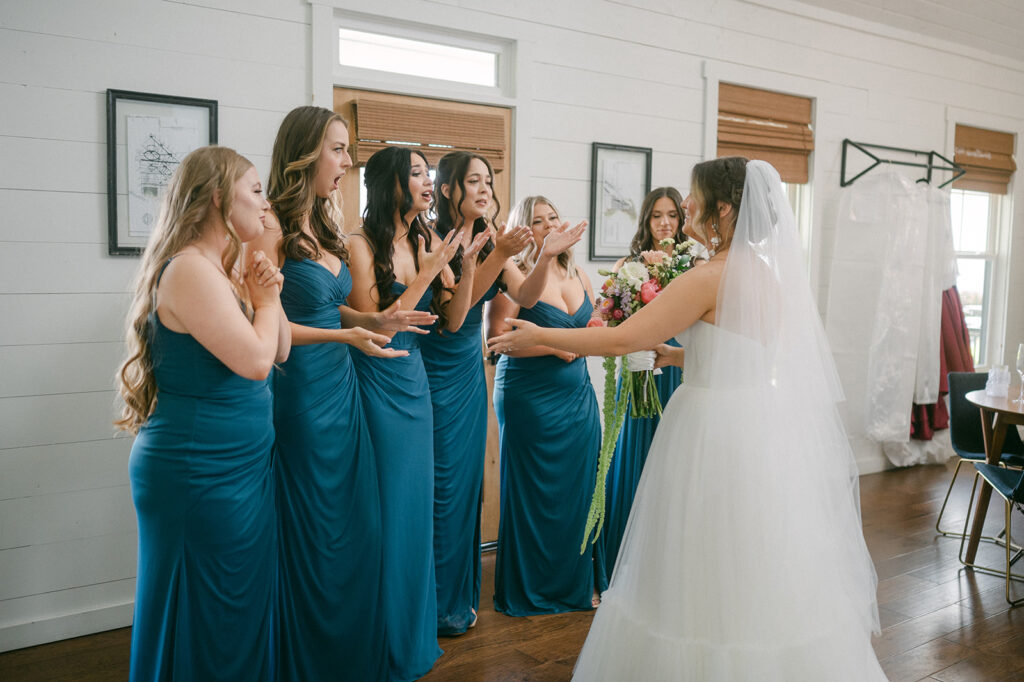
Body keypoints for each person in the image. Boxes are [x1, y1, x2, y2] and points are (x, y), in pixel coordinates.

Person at [489, 159, 885, 680]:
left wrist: (537, 337)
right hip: (756, 427)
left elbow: (619, 339)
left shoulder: (709, 276)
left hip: (710, 432)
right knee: (753, 557)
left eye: (695, 198)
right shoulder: (763, 271)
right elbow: (750, 350)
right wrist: (680, 357)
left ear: (723, 210)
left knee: (697, 561)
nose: (687, 207)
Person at [250, 106, 436, 681]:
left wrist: (375, 323)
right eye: (337, 148)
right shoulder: (272, 227)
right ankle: (309, 659)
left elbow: (335, 307)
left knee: (356, 530)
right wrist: (347, 332)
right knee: (316, 529)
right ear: (306, 154)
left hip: (345, 390)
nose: (347, 160)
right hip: (302, 393)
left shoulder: (326, 224)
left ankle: (350, 655)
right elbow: (271, 322)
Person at [116, 146, 289, 681]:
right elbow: (258, 362)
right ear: (218, 197)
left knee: (231, 612)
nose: (266, 206)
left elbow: (280, 348)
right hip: (198, 472)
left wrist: (269, 288)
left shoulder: (222, 268)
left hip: (237, 471)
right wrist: (261, 302)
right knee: (205, 612)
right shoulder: (190, 270)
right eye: (256, 191)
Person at [346, 146, 487, 680]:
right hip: (378, 378)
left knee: (417, 507)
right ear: (389, 184)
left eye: (429, 174)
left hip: (417, 380)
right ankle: (383, 634)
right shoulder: (360, 244)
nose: (428, 182)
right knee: (389, 508)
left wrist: (467, 265)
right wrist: (428, 273)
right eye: (416, 174)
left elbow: (453, 322)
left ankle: (415, 629)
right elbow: (377, 326)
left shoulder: (427, 237)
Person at [419, 151, 533, 636]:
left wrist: (542, 256)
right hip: (433, 370)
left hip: (468, 374)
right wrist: (501, 254)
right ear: (447, 189)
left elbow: (525, 297)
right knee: (439, 486)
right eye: (474, 181)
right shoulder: (432, 240)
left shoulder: (491, 240)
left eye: (489, 181)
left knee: (465, 486)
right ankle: (434, 604)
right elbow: (454, 318)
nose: (484, 189)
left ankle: (458, 597)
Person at [487, 195, 607, 616]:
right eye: (538, 222)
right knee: (538, 494)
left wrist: (598, 328)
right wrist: (555, 345)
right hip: (530, 399)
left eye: (553, 218)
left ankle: (577, 582)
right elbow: (497, 341)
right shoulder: (513, 275)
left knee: (579, 490)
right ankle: (533, 587)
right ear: (524, 230)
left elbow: (593, 327)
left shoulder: (579, 273)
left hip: (577, 396)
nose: (548, 226)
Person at [598, 187, 687, 579]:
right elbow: (609, 319)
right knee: (633, 457)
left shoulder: (694, 266)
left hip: (677, 373)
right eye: (657, 216)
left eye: (672, 215)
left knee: (675, 465)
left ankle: (665, 566)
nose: (665, 222)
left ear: (681, 221)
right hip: (639, 373)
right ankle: (622, 566)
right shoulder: (626, 266)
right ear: (646, 221)